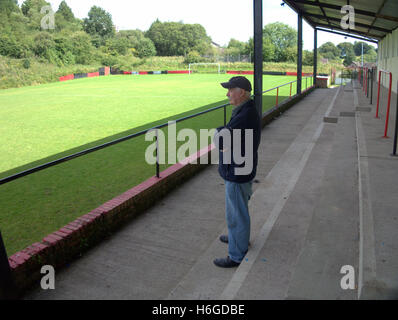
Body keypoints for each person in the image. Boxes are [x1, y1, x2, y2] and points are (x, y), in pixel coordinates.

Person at [213, 76, 261, 268]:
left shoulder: (245, 114)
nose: (227, 94)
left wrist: (218, 132)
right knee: (239, 209)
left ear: (241, 92)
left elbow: (222, 140)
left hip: (237, 170)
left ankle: (236, 255)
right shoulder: (246, 110)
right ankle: (238, 239)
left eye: (230, 90)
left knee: (236, 214)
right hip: (242, 168)